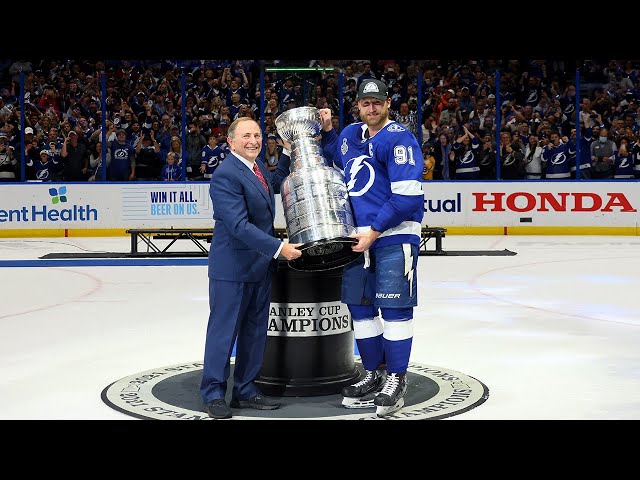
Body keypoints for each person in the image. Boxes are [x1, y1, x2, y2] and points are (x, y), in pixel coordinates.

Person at [318, 78, 424, 417]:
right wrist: (329, 131)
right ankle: (374, 373)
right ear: (359, 106)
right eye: (366, 103)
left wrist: (374, 230)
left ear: (387, 103)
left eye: (377, 102)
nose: (372, 108)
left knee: (394, 312)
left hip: (393, 236)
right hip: (356, 239)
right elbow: (338, 157)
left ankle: (396, 378)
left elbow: (408, 196)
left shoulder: (399, 138)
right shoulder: (351, 135)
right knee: (361, 311)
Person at [200, 117, 303, 419]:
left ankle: (245, 389)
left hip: (258, 267)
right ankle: (214, 393)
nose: (253, 141)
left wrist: (285, 152)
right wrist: (277, 247)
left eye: (257, 135)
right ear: (230, 141)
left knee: (255, 333)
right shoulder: (226, 175)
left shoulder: (256, 170)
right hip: (232, 269)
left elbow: (275, 181)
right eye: (246, 136)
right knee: (224, 332)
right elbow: (238, 225)